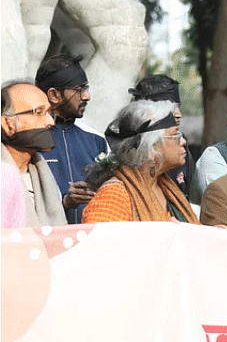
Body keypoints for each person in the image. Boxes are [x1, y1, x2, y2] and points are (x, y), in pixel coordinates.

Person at [81, 100, 199, 223]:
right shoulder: (114, 196)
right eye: (175, 135)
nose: (183, 141)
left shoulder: (164, 186)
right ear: (151, 147)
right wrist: (161, 234)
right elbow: (96, 240)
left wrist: (212, 233)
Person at [35, 54, 108, 224]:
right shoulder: (30, 143)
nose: (87, 96)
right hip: (44, 244)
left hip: (91, 243)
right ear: (54, 95)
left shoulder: (97, 141)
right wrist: (65, 202)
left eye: (86, 88)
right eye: (79, 89)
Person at [1, 81, 67, 227]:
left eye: (50, 113)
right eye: (38, 112)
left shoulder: (43, 173)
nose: (50, 122)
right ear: (7, 124)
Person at [128, 75, 195, 199]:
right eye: (170, 109)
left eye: (178, 107)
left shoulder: (181, 145)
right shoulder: (128, 147)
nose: (178, 114)